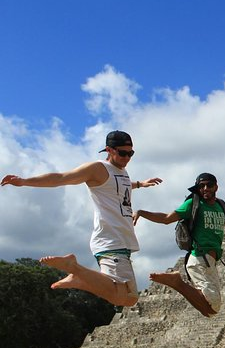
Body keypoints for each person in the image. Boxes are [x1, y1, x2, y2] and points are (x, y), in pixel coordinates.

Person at [1, 131, 162, 306]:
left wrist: (139, 184)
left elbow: (117, 185)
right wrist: (25, 181)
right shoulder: (97, 169)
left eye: (130, 153)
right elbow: (62, 178)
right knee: (126, 298)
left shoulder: (121, 171)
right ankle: (75, 270)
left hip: (121, 239)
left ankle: (79, 278)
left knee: (128, 297)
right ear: (109, 150)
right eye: (122, 153)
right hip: (111, 238)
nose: (127, 157)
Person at [133, 173, 225, 317]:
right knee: (212, 305)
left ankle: (177, 283)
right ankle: (177, 282)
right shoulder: (193, 204)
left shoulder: (220, 205)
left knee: (210, 310)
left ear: (216, 187)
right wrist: (141, 212)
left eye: (209, 185)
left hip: (211, 262)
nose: (205, 188)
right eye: (201, 186)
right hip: (198, 259)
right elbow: (166, 218)